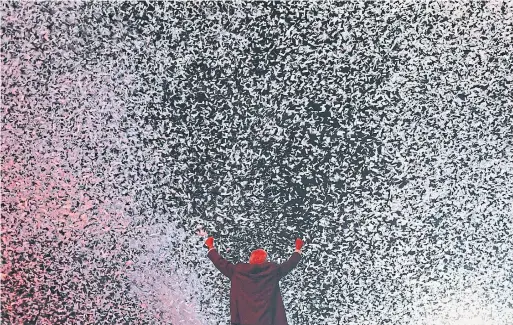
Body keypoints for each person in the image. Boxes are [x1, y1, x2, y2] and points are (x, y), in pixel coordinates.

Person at [205, 236, 304, 325]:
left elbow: (220, 262)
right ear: (265, 260)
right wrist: (298, 249)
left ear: (250, 260)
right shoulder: (272, 272)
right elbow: (291, 263)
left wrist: (210, 247)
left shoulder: (237, 272)